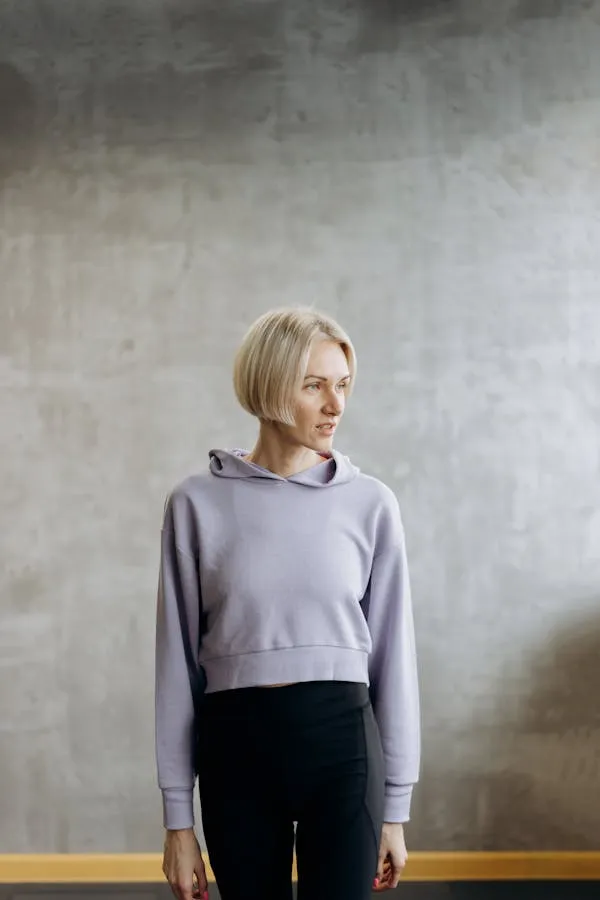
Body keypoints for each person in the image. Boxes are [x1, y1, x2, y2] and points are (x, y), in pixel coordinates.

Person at [155, 307, 421, 900]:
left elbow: (394, 663)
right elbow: (176, 668)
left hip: (343, 748)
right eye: (315, 385)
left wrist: (395, 808)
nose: (336, 405)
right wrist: (178, 820)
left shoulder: (370, 504)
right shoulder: (195, 504)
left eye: (344, 385)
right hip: (235, 753)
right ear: (271, 386)